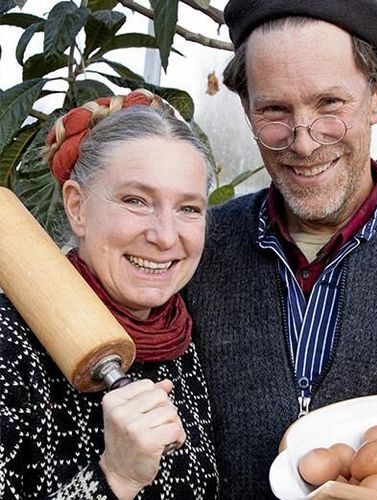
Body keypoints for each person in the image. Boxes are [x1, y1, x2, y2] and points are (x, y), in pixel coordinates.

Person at [183, 1, 377, 498]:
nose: (304, 143)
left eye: (330, 103)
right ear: (247, 110)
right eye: (274, 110)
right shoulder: (193, 252)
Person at [0, 89, 219, 499]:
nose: (165, 236)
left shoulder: (187, 336)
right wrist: (116, 476)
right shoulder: (9, 341)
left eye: (188, 208)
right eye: (136, 201)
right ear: (77, 207)